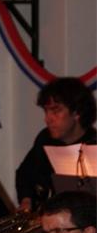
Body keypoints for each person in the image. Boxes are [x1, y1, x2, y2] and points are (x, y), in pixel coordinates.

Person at [16, 77, 97, 211]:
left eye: (56, 111)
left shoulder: (94, 146)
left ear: (77, 112)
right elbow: (25, 173)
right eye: (46, 111)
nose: (47, 119)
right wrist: (26, 200)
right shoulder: (45, 138)